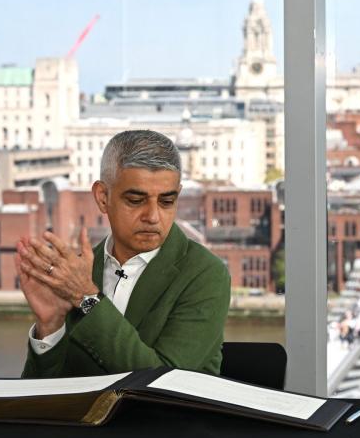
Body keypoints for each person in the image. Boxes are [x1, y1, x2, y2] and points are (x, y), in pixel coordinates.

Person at [15, 130, 231, 378]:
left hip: (171, 417)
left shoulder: (206, 274)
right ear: (103, 197)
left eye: (166, 201)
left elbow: (166, 382)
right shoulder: (78, 275)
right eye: (136, 200)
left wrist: (87, 298)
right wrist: (50, 326)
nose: (152, 216)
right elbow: (39, 399)